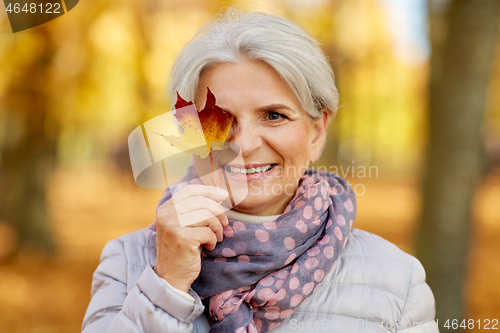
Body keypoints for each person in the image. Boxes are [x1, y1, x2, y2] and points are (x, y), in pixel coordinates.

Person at [82, 8, 439, 333]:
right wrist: (166, 286)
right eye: (220, 121)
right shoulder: (128, 264)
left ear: (317, 132)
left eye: (274, 116)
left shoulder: (397, 281)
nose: (246, 144)